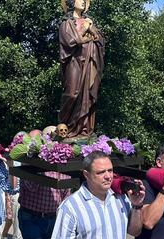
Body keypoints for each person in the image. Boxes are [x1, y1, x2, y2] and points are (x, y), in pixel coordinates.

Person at [58, 0, 105, 138]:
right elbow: (68, 42)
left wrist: (93, 32)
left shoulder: (89, 21)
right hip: (74, 62)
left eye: (85, 1)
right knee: (72, 93)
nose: (83, 2)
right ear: (72, 2)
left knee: (86, 96)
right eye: (80, 0)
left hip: (89, 63)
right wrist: (85, 29)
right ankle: (65, 125)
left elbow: (99, 40)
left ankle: (84, 130)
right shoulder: (66, 24)